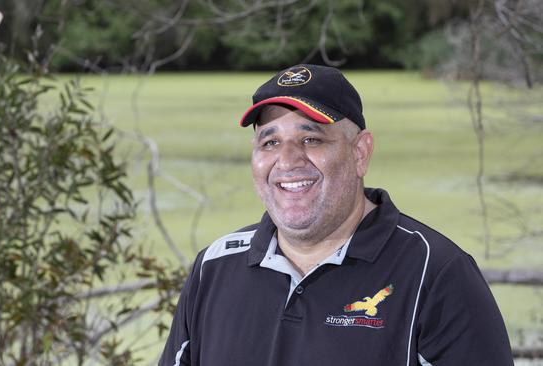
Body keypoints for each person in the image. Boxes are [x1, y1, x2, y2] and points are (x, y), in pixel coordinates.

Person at [159, 64, 514, 365]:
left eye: (311, 139)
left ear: (361, 152)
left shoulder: (435, 273)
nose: (287, 160)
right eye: (270, 142)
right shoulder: (215, 267)